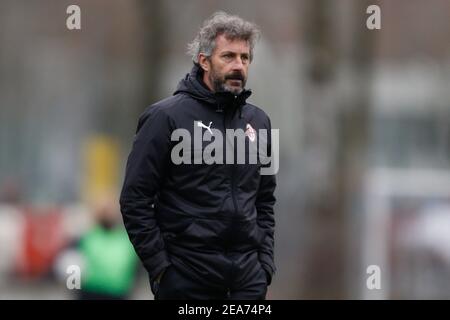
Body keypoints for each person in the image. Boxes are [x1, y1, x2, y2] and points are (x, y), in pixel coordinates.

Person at [120, 11, 277, 300]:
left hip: (246, 283)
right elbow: (134, 199)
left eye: (244, 58)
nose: (238, 66)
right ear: (204, 61)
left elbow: (265, 200)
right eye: (228, 56)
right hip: (186, 280)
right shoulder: (163, 118)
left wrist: (263, 265)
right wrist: (161, 269)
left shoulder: (261, 123)